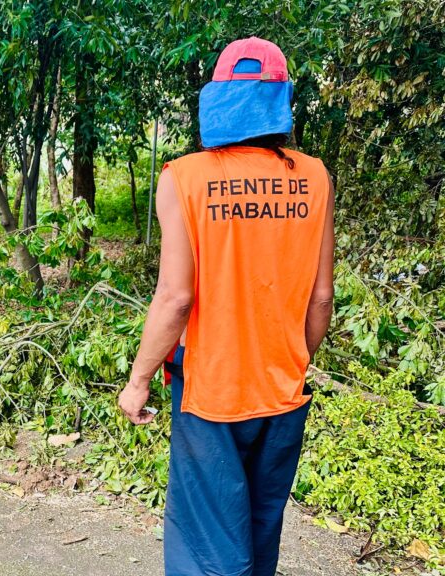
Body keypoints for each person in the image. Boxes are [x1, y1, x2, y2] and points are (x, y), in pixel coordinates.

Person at [117, 37, 335, 576]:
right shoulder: (314, 176)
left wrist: (139, 380)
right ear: (280, 100)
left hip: (211, 393)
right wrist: (292, 361)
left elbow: (176, 297)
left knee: (208, 548)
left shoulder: (184, 178)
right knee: (261, 527)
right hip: (283, 389)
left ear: (217, 98)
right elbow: (321, 296)